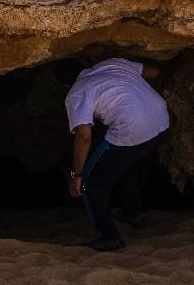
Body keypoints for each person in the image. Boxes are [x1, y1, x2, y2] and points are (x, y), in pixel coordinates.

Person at [63, 57, 170, 251]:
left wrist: (76, 175)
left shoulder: (76, 92)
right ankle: (133, 213)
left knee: (91, 183)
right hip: (163, 121)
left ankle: (108, 236)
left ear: (66, 85)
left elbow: (84, 136)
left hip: (133, 130)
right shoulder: (113, 63)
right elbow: (155, 72)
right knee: (123, 161)